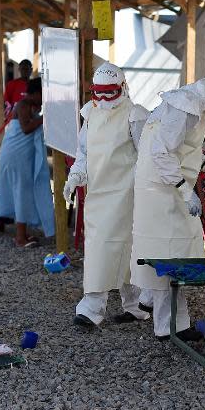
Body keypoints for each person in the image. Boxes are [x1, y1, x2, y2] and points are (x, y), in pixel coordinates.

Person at [131, 67, 205, 341]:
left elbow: (187, 148)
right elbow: (161, 152)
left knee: (176, 251)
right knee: (165, 253)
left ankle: (167, 316)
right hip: (159, 187)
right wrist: (185, 190)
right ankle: (167, 325)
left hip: (170, 185)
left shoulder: (201, 106)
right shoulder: (185, 107)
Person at [63, 63, 151, 330]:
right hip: (99, 194)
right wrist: (74, 177)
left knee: (125, 248)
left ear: (123, 88)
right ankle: (107, 306)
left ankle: (110, 307)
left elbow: (148, 155)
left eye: (109, 93)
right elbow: (84, 154)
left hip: (128, 194)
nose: (102, 100)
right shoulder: (90, 114)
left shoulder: (135, 115)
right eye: (97, 93)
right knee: (100, 248)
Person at [0, 77, 55, 247]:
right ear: (36, 93)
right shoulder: (22, 105)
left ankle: (23, 233)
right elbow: (26, 128)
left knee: (23, 192)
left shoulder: (31, 106)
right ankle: (20, 237)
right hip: (15, 155)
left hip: (19, 155)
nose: (44, 99)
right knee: (21, 192)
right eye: (43, 95)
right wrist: (44, 117)